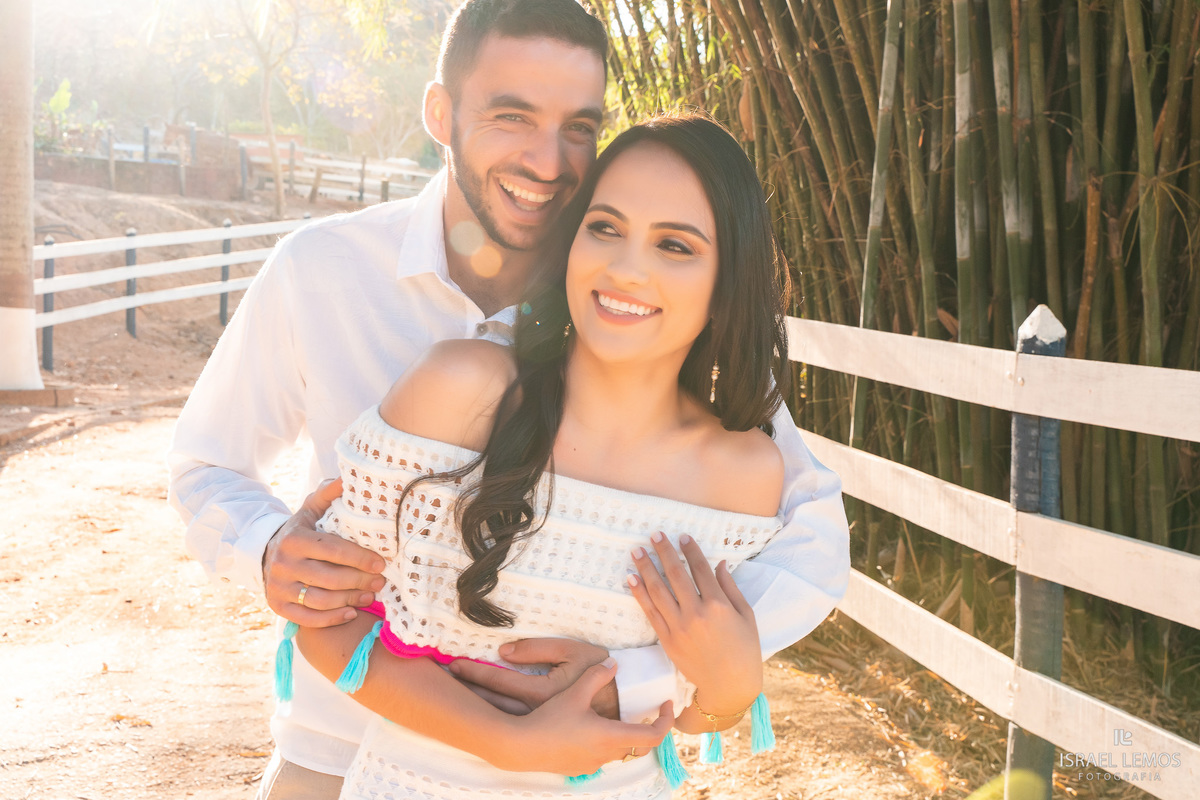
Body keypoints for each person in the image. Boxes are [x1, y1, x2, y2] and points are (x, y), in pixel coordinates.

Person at [167, 0, 848, 797]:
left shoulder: (639, 310)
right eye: (511, 116)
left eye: (578, 127)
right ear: (441, 113)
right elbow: (206, 462)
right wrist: (270, 552)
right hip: (342, 747)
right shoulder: (322, 270)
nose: (549, 161)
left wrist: (671, 677)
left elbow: (810, 536)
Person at [296, 112, 796, 800]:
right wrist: (508, 743)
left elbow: (689, 709)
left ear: (725, 281)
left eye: (675, 246)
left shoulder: (742, 475)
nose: (626, 267)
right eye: (606, 227)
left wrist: (733, 690)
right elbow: (324, 622)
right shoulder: (461, 390)